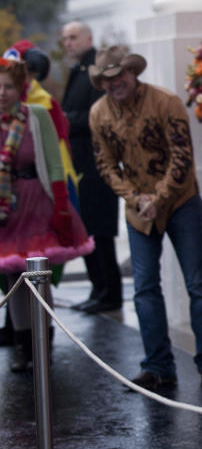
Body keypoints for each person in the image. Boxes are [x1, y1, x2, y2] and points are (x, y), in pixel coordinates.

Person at [89, 45, 202, 389]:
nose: (115, 82)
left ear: (132, 73)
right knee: (145, 288)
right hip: (138, 209)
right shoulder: (98, 114)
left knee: (197, 283)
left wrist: (159, 198)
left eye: (119, 74)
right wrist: (136, 199)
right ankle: (158, 365)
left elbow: (182, 156)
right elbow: (105, 165)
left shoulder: (166, 101)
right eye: (107, 78)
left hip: (180, 201)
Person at [0, 56, 93, 371]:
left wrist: (62, 207)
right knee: (12, 276)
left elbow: (54, 162)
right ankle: (24, 349)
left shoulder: (36, 115)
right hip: (6, 206)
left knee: (38, 277)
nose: (2, 93)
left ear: (20, 88)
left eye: (8, 86)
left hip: (36, 200)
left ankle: (43, 344)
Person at [61, 21, 122, 313]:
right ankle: (99, 289)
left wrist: (64, 119)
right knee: (88, 230)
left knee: (101, 231)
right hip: (80, 165)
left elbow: (96, 115)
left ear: (88, 38)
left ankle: (109, 292)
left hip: (97, 164)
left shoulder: (95, 72)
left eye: (73, 37)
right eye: (65, 38)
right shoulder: (77, 71)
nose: (67, 43)